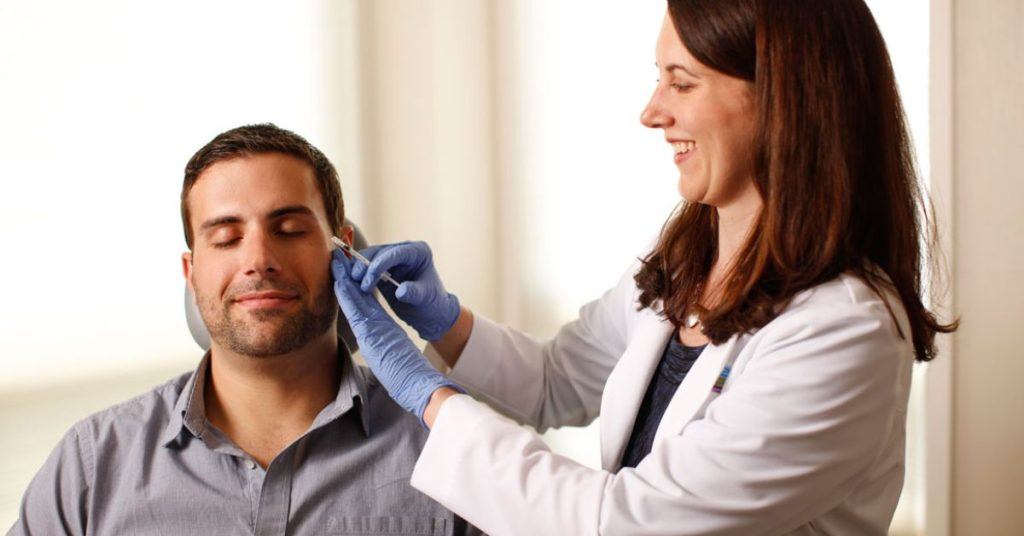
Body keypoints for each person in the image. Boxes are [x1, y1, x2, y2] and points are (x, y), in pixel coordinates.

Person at [330, 1, 958, 535]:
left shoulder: (843, 330)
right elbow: (556, 382)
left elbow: (631, 522)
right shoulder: (686, 266)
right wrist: (443, 321)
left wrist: (424, 391)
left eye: (681, 83)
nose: (653, 112)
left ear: (785, 98)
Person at [9, 124, 477, 535]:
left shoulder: (447, 448)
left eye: (290, 229)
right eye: (226, 238)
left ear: (343, 250)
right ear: (192, 273)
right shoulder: (95, 464)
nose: (258, 261)